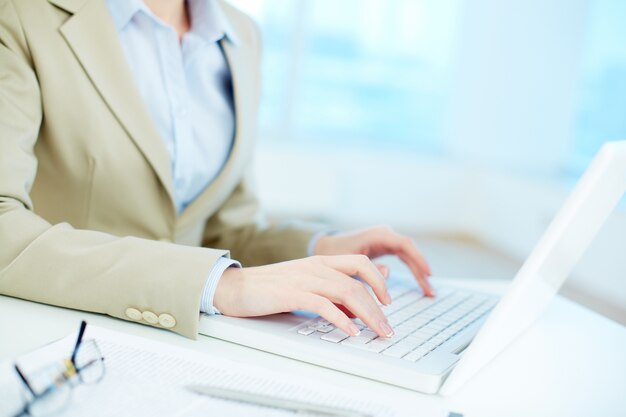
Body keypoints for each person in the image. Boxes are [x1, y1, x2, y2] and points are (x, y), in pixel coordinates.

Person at [0, 0, 433, 340]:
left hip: (191, 339)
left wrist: (320, 248)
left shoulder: (241, 34)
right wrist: (219, 285)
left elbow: (221, 230)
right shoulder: (21, 15)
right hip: (62, 331)